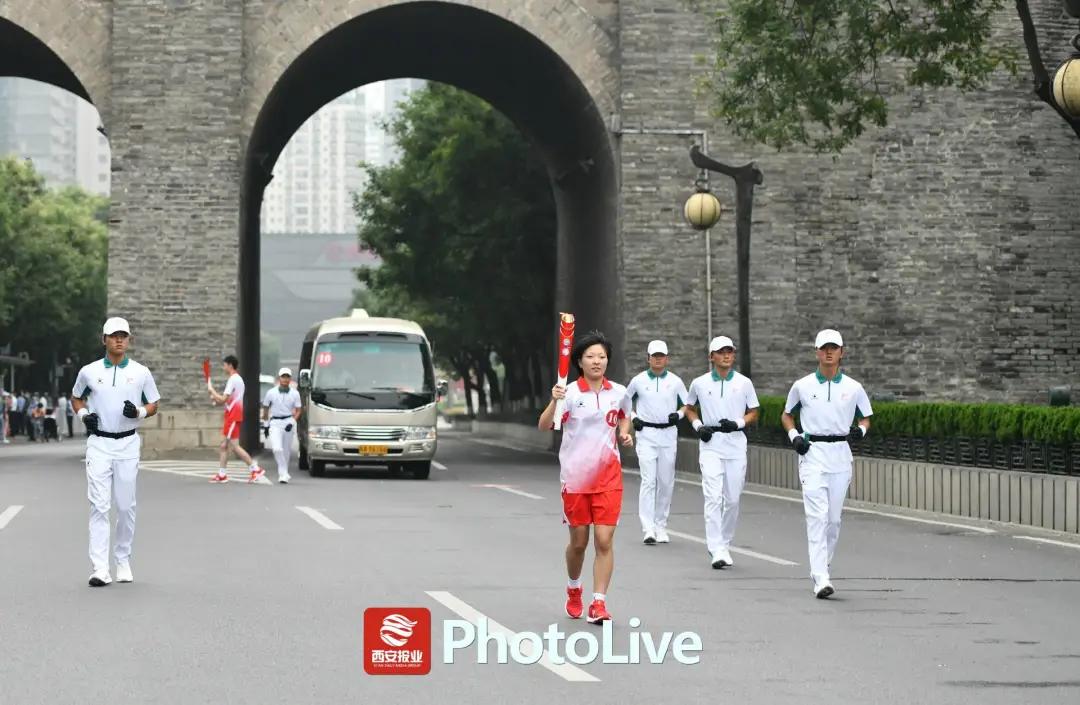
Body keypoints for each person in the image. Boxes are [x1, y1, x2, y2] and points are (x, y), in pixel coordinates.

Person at [538, 330, 633, 625]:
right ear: (579, 361)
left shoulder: (619, 392)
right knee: (579, 543)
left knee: (604, 540)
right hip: (576, 479)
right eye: (590, 356)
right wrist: (554, 402)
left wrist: (625, 432)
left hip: (608, 477)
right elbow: (544, 426)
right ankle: (574, 587)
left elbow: (625, 415)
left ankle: (599, 603)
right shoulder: (569, 394)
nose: (596, 361)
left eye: (602, 357)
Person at [781, 329, 873, 599]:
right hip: (813, 452)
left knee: (833, 520)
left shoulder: (854, 388)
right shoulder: (802, 385)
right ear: (817, 352)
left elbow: (866, 417)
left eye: (834, 348)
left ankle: (823, 565)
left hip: (840, 453)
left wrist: (861, 431)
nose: (829, 352)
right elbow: (787, 415)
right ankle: (820, 577)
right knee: (817, 517)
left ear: (842, 352)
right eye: (824, 348)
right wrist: (794, 437)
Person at [71, 317, 161, 586]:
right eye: (113, 335)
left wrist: (139, 412)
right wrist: (84, 415)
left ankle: (122, 559)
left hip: (127, 443)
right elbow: (77, 397)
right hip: (99, 443)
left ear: (129, 340)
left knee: (125, 505)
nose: (118, 339)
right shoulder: (89, 371)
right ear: (104, 339)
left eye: (123, 335)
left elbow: (154, 402)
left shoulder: (141, 372)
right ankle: (100, 568)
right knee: (99, 505)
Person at [683, 335, 760, 569]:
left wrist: (737, 423)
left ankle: (725, 543)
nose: (726, 355)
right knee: (713, 496)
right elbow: (689, 408)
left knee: (733, 499)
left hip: (735, 442)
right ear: (711, 356)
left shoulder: (744, 383)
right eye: (721, 351)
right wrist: (698, 427)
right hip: (711, 443)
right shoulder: (699, 383)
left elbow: (754, 411)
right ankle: (715, 547)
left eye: (730, 351)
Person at [624, 340, 689, 544]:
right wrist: (634, 419)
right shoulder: (638, 381)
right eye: (655, 355)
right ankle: (648, 528)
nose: (658, 359)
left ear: (667, 358)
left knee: (666, 481)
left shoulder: (676, 382)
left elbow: (687, 405)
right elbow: (624, 403)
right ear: (648, 358)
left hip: (668, 434)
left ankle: (661, 525)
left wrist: (678, 416)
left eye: (662, 355)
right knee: (648, 480)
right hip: (647, 434)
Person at [206, 355, 264, 484]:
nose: (224, 367)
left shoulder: (233, 379)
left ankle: (255, 469)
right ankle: (222, 475)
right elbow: (225, 401)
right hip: (232, 415)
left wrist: (212, 390)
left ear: (230, 365)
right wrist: (215, 398)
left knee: (235, 447)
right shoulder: (237, 379)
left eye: (225, 365)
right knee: (224, 446)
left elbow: (223, 399)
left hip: (233, 416)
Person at [261, 367, 302, 484]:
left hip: (288, 421)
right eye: (283, 376)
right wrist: (266, 425)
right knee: (277, 448)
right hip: (275, 422)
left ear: (290, 379)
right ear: (279, 378)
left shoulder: (295, 393)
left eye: (287, 377)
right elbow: (266, 408)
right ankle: (283, 472)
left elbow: (299, 410)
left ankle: (283, 474)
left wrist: (292, 422)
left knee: (286, 450)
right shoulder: (271, 392)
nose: (285, 379)